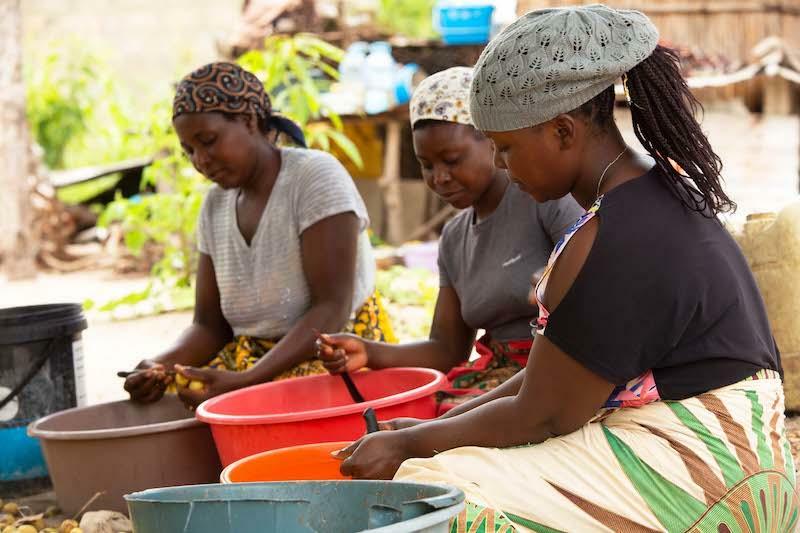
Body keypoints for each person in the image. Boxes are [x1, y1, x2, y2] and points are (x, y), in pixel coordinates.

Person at [333, 6, 798, 531]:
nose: (501, 165)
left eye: (505, 147)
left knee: (436, 495)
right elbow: (550, 379)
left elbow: (546, 414)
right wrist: (436, 423)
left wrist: (413, 441)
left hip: (713, 469)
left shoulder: (619, 235)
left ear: (561, 131)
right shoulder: (645, 199)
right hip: (733, 449)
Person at [123, 62, 393, 408]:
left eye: (208, 141)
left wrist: (249, 379)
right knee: (173, 400)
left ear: (249, 121)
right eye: (189, 150)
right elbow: (209, 326)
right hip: (252, 361)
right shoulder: (215, 205)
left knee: (257, 412)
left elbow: (332, 307)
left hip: (333, 354)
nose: (200, 160)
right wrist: (159, 365)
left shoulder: (313, 177)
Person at [317, 67, 582, 414]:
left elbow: (594, 284)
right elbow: (447, 349)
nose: (439, 178)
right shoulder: (455, 239)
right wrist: (368, 352)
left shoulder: (541, 198)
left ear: (491, 139)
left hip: (553, 370)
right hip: (496, 374)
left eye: (451, 160)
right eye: (426, 165)